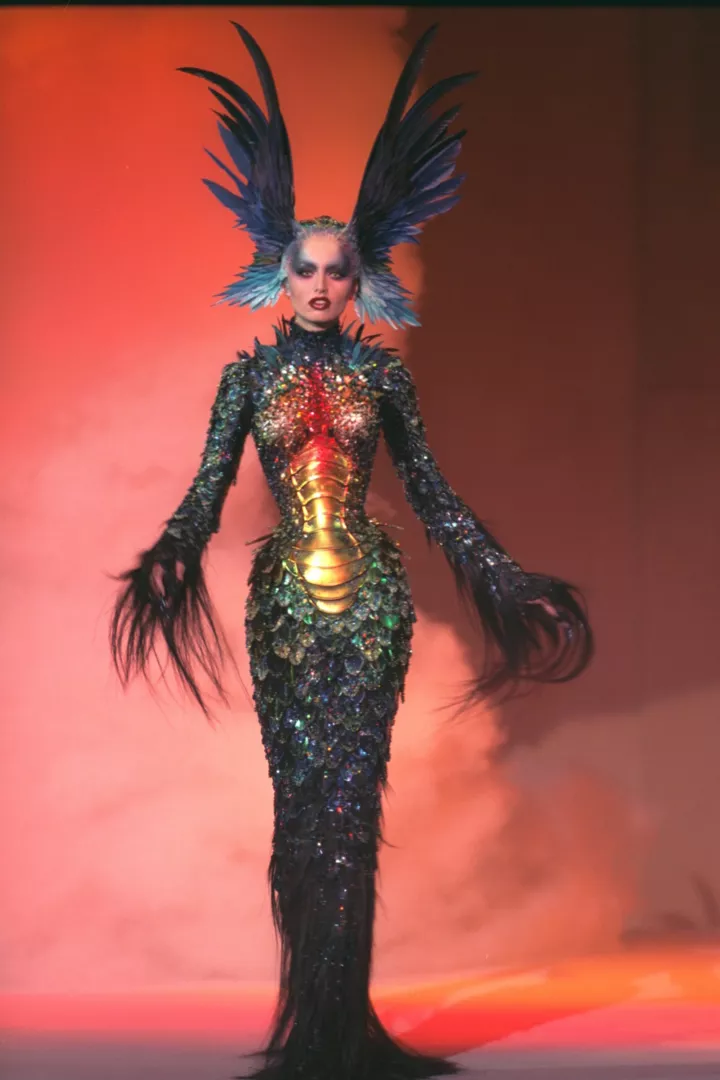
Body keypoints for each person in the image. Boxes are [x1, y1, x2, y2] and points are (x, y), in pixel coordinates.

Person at [110, 22, 593, 1080]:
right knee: (300, 810)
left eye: (338, 270)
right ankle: (312, 1029)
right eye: (306, 269)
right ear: (279, 275)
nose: (323, 285)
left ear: (357, 276)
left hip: (370, 606)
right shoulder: (246, 380)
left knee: (352, 806)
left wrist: (507, 578)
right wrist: (167, 558)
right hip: (284, 607)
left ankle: (349, 1032)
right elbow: (204, 495)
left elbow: (433, 497)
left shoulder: (385, 379)